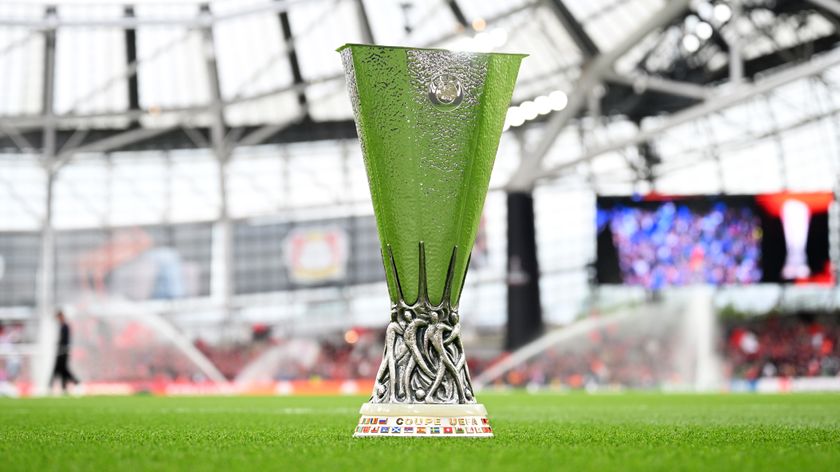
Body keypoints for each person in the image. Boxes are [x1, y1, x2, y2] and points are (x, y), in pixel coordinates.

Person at [51, 310, 79, 393]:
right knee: (62, 369)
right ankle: (64, 386)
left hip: (63, 351)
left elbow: (65, 340)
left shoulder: (65, 326)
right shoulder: (62, 326)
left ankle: (75, 382)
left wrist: (62, 349)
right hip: (61, 350)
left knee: (60, 369)